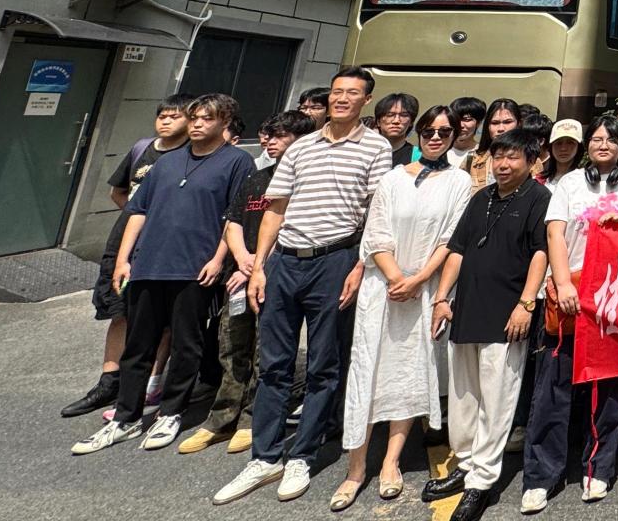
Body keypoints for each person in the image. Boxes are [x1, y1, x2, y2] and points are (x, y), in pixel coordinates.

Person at [212, 67, 393, 506]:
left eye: (352, 93)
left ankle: (303, 455)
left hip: (336, 259)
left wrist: (360, 265)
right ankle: (265, 456)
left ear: (366, 100)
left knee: (323, 365)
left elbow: (376, 212)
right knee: (275, 364)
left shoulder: (376, 147)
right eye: (336, 92)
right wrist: (259, 266)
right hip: (284, 261)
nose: (342, 99)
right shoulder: (303, 146)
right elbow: (275, 209)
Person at [72, 94, 255, 456]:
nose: (197, 124)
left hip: (195, 269)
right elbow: (137, 211)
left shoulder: (237, 161)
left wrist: (218, 259)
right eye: (194, 117)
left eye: (207, 118)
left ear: (225, 122)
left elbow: (233, 217)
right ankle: (125, 417)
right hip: (148, 265)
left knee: (187, 344)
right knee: (138, 344)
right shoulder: (167, 162)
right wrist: (123, 260)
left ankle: (171, 412)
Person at [331, 105, 471, 509]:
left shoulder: (459, 181)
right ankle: (356, 467)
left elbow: (451, 238)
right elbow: (375, 232)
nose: (435, 137)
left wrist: (420, 279)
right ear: (418, 133)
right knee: (368, 369)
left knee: (410, 370)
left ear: (453, 136)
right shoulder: (392, 178)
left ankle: (391, 461)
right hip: (383, 286)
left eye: (444, 132)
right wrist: (396, 277)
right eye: (428, 130)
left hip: (424, 288)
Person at [420, 133, 550, 521]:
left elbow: (540, 253)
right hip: (466, 310)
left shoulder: (538, 198)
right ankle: (465, 463)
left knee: (496, 401)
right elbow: (458, 249)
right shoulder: (482, 198)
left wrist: (526, 303)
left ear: (531, 161)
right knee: (463, 399)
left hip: (507, 316)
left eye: (512, 157)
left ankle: (482, 480)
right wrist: (442, 298)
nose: (503, 164)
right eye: (498, 157)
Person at [177, 110, 313, 454]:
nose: (269, 142)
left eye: (279, 136)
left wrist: (258, 266)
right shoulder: (256, 178)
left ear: (300, 140)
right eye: (268, 135)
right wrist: (241, 259)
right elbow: (233, 221)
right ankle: (222, 417)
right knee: (231, 346)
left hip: (274, 275)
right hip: (240, 275)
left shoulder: (308, 181)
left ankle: (253, 418)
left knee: (265, 353)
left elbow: (293, 228)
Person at [524, 115, 618, 511]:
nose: (604, 145)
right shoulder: (569, 183)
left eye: (612, 139)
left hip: (614, 295)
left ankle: (598, 468)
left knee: (606, 389)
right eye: (597, 138)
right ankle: (541, 476)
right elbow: (555, 233)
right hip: (570, 290)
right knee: (554, 386)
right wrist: (562, 282)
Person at [65, 97, 191, 420]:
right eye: (162, 116)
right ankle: (109, 381)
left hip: (164, 247)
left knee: (161, 318)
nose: (165, 121)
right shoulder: (142, 149)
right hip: (123, 242)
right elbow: (119, 192)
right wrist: (138, 218)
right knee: (118, 310)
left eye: (174, 116)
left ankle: (151, 383)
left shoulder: (191, 155)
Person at [471, 100, 522, 191]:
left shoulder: (531, 160)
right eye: (495, 123)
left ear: (519, 124)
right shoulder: (472, 160)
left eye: (507, 122)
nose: (501, 129)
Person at [374, 93, 419, 167]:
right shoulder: (364, 151)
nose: (396, 121)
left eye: (404, 115)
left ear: (411, 122)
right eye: (390, 115)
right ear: (378, 121)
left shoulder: (419, 156)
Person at [450, 98, 488, 162]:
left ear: (479, 123)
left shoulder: (484, 154)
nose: (460, 125)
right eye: (456, 119)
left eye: (467, 120)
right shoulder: (440, 151)